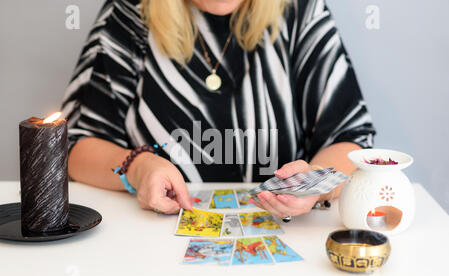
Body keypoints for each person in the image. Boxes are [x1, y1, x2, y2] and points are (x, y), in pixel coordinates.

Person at [61, 0, 375, 219]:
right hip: (150, 250)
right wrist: (138, 167)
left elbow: (351, 140)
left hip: (286, 242)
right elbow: (73, 148)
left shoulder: (300, 10)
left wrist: (314, 186)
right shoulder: (130, 13)